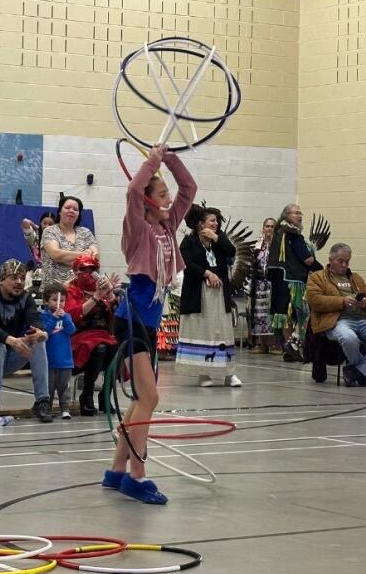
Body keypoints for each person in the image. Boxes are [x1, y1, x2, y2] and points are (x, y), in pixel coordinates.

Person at [101, 144, 197, 505]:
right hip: (131, 320)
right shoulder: (137, 228)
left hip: (150, 320)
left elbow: (190, 189)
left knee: (143, 399)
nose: (169, 197)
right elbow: (131, 191)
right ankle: (137, 476)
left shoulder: (169, 225)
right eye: (161, 193)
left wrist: (170, 159)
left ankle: (116, 471)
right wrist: (152, 161)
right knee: (150, 398)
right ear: (147, 200)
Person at [0, 258, 53, 424]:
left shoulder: (25, 297)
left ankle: (42, 401)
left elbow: (35, 320)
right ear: (2, 279)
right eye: (13, 278)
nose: (19, 282)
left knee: (38, 341)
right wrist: (12, 341)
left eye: (22, 278)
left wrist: (40, 333)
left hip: (8, 354)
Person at [306, 243, 366, 386]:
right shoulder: (317, 277)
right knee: (349, 338)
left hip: (360, 320)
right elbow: (315, 300)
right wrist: (341, 301)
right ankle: (361, 371)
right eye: (340, 261)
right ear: (331, 259)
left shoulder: (356, 278)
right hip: (335, 321)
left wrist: (365, 303)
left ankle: (356, 371)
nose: (344, 265)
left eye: (347, 261)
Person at [175, 204, 239, 387]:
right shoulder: (189, 242)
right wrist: (207, 273)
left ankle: (229, 374)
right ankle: (203, 374)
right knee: (202, 330)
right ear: (200, 224)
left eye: (217, 221)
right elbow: (186, 264)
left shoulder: (220, 240)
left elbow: (231, 252)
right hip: (198, 294)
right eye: (212, 221)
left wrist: (217, 238)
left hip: (219, 294)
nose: (216, 223)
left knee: (223, 330)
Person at [65, 253, 120, 415]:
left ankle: (105, 396)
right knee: (100, 347)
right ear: (76, 271)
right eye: (84, 269)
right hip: (80, 336)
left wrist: (110, 295)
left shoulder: (103, 289)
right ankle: (87, 395)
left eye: (93, 268)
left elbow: (118, 315)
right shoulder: (71, 291)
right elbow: (73, 316)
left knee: (118, 348)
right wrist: (96, 296)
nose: (89, 272)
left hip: (104, 335)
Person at [270, 204, 321, 362]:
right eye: (296, 213)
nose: (299, 216)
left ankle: (289, 348)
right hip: (292, 280)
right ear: (286, 215)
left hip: (279, 279)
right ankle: (293, 346)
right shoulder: (293, 234)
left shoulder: (279, 232)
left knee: (286, 316)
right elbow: (307, 259)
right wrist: (323, 270)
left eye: (300, 213)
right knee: (301, 314)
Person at [41, 196, 98, 287]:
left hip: (81, 291)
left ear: (78, 214)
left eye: (75, 209)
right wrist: (83, 255)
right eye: (67, 208)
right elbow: (56, 254)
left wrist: (69, 258)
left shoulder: (86, 233)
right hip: (55, 293)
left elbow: (95, 258)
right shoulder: (50, 231)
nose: (71, 210)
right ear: (59, 211)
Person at [41, 282, 76, 419]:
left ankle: (65, 408)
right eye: (54, 300)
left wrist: (65, 319)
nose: (59, 303)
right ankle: (47, 407)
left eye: (62, 300)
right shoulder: (43, 316)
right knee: (48, 388)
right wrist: (53, 318)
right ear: (46, 301)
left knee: (64, 387)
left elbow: (71, 330)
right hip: (49, 361)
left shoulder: (66, 316)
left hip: (65, 360)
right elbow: (45, 333)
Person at [249, 217, 279, 354]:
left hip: (274, 283)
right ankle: (262, 345)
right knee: (260, 314)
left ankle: (275, 345)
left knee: (273, 313)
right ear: (263, 228)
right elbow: (252, 265)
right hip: (260, 283)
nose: (269, 229)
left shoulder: (279, 245)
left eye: (272, 226)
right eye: (267, 226)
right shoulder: (257, 245)